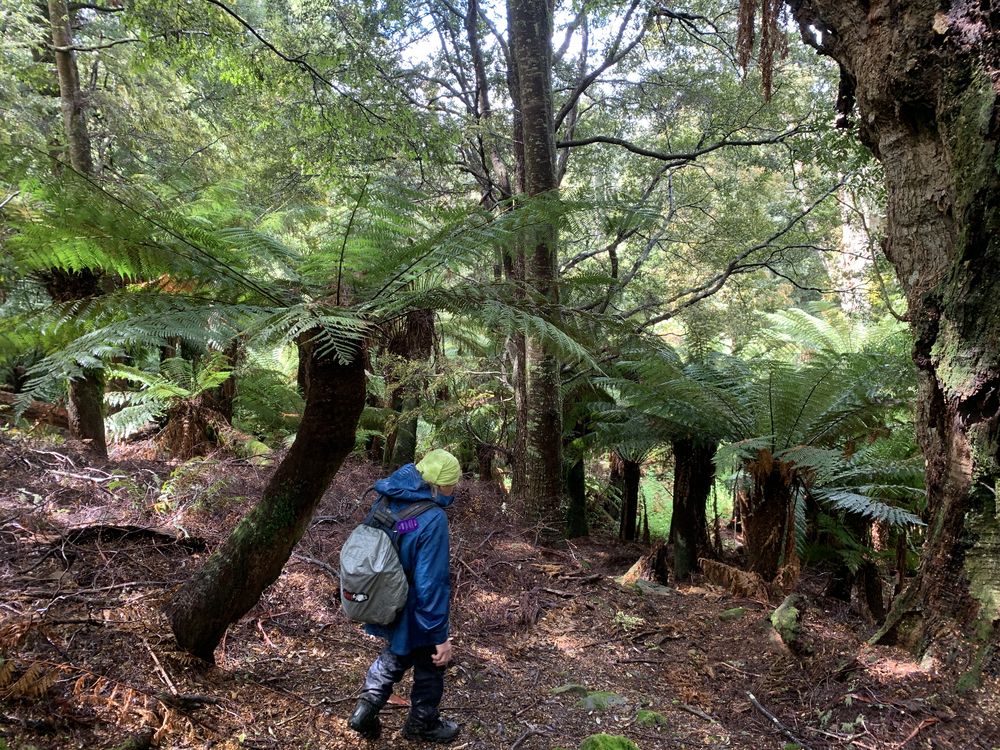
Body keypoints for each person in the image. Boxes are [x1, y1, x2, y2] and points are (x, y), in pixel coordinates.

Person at [347, 449, 462, 743]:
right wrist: (440, 634)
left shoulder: (391, 498)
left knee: (398, 653)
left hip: (389, 596)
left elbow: (400, 530)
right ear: (437, 484)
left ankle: (365, 708)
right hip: (415, 604)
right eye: (452, 483)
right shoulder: (433, 518)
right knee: (432, 662)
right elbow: (431, 583)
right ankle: (422, 725)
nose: (454, 489)